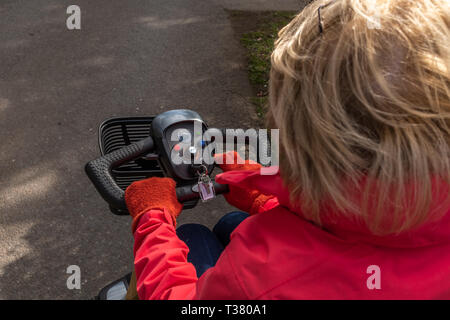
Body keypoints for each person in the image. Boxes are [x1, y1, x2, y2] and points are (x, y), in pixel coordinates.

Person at [124, 0, 450, 299]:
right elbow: (369, 238)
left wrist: (152, 217)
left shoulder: (256, 280)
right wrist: (272, 200)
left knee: (194, 235)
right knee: (233, 221)